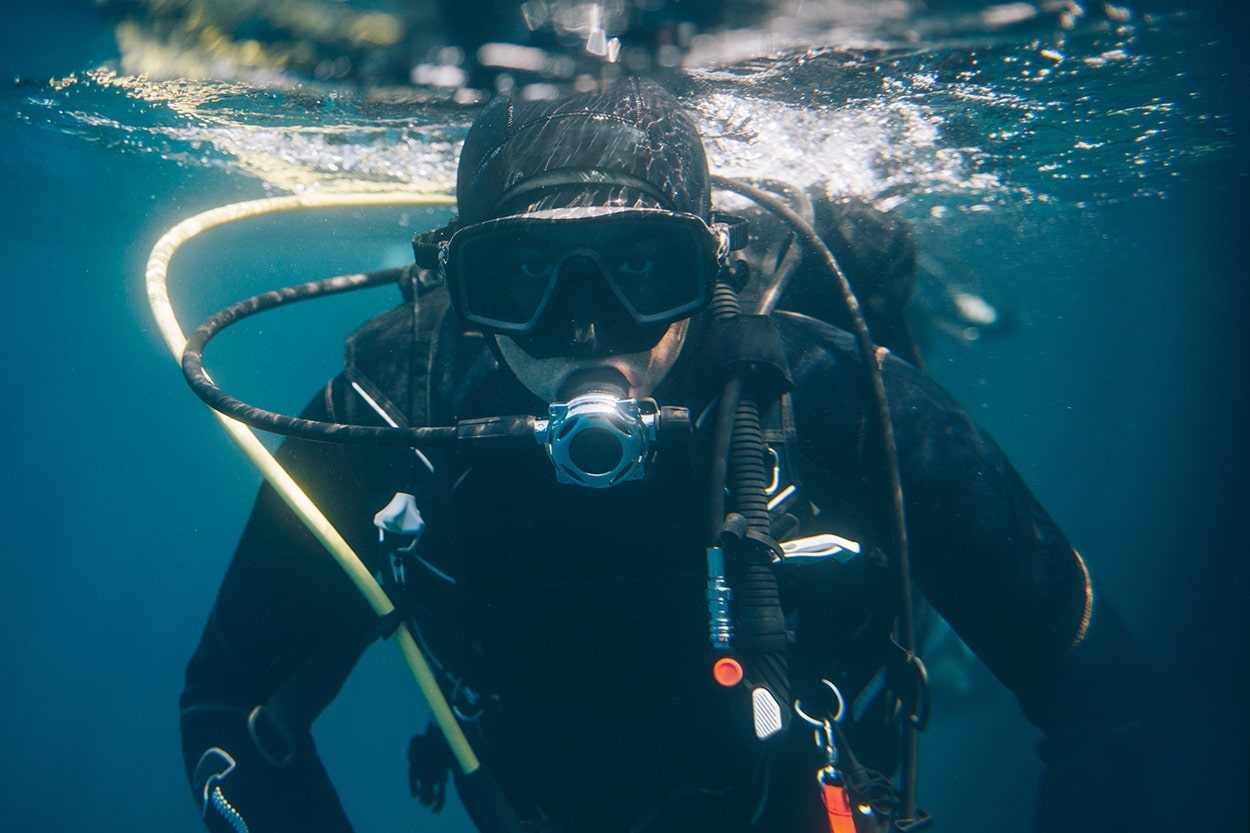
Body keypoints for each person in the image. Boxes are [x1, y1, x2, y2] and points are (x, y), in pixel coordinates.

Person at [179, 78, 1156, 833]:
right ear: (461, 286)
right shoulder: (387, 416)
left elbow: (1096, 686)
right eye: (521, 276)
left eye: (642, 266)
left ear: (709, 265)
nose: (582, 329)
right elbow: (227, 699)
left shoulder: (829, 395)